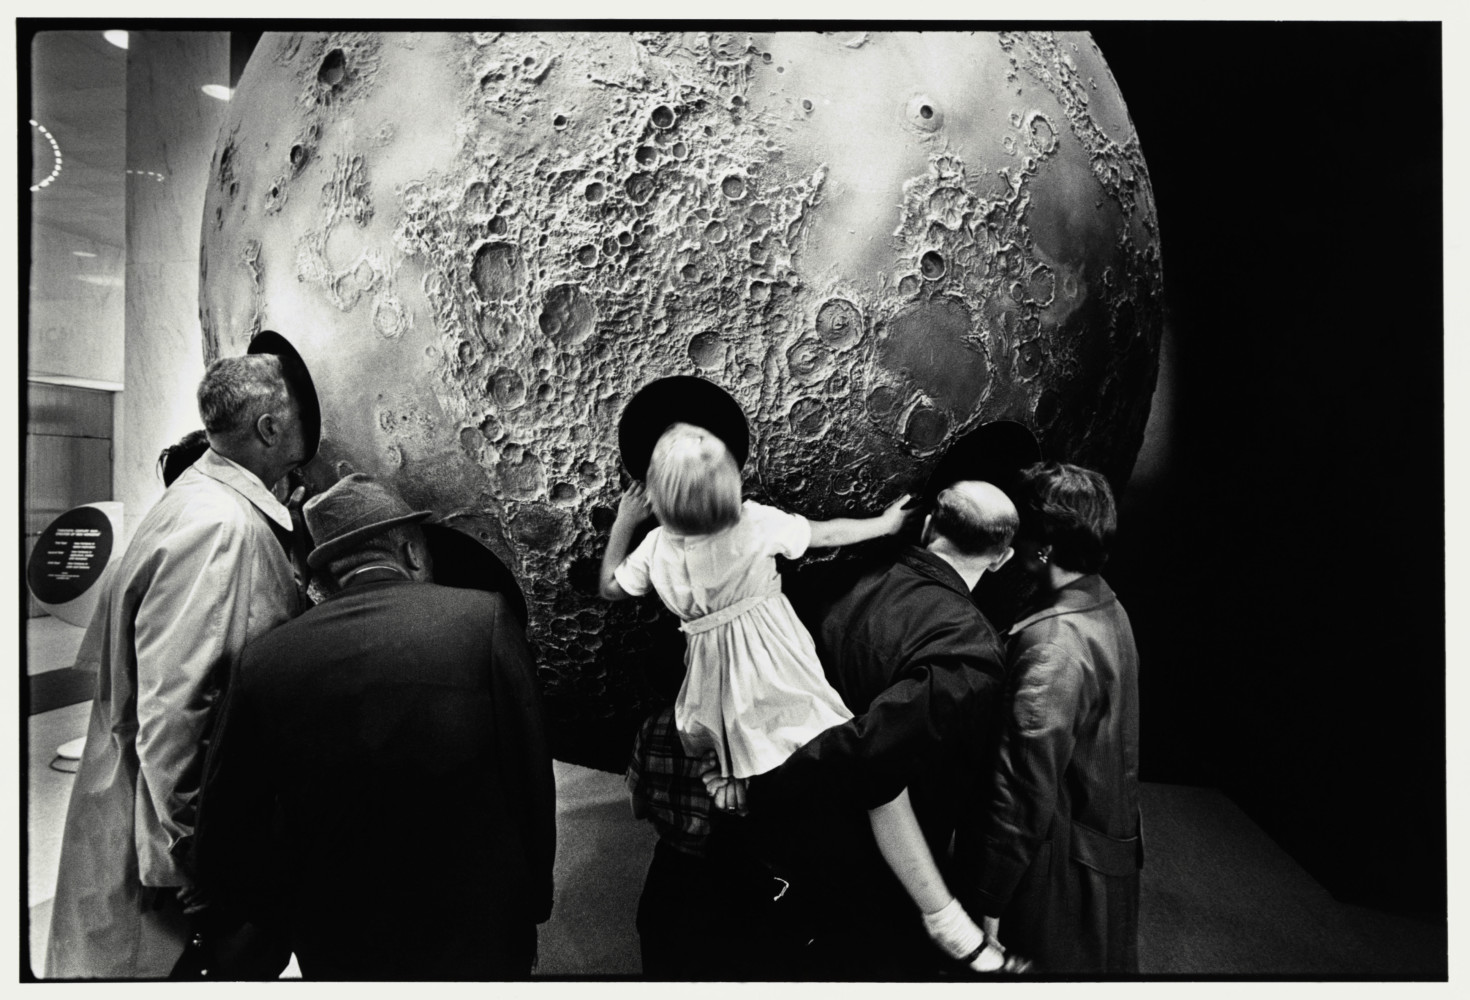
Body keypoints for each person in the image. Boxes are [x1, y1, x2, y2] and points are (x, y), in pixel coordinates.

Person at [600, 421, 1009, 974]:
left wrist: (625, 522)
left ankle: (734, 786)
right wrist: (886, 522)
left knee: (731, 767)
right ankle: (941, 913)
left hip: (707, 685)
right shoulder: (753, 524)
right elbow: (827, 533)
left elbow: (610, 587)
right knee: (880, 787)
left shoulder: (655, 549)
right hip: (771, 670)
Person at [193, 473, 555, 981]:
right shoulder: (484, 620)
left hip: (338, 940)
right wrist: (534, 898)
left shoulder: (265, 660)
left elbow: (225, 824)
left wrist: (284, 916)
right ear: (411, 551)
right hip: (477, 928)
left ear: (330, 574)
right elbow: (529, 773)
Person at [45, 336, 319, 979]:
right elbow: (177, 716)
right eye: (300, 412)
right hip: (167, 882)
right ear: (269, 428)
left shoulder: (199, 500)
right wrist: (201, 868)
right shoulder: (220, 528)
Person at [709, 479, 1030, 978]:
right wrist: (761, 785)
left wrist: (746, 770)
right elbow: (871, 757)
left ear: (928, 526)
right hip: (869, 885)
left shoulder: (842, 577)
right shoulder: (971, 649)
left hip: (784, 853)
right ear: (1000, 559)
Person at [959, 462, 1143, 974]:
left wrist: (988, 898)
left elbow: (1022, 788)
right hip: (1098, 850)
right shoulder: (1104, 604)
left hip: (1052, 871)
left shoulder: (1054, 646)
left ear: (1043, 549)